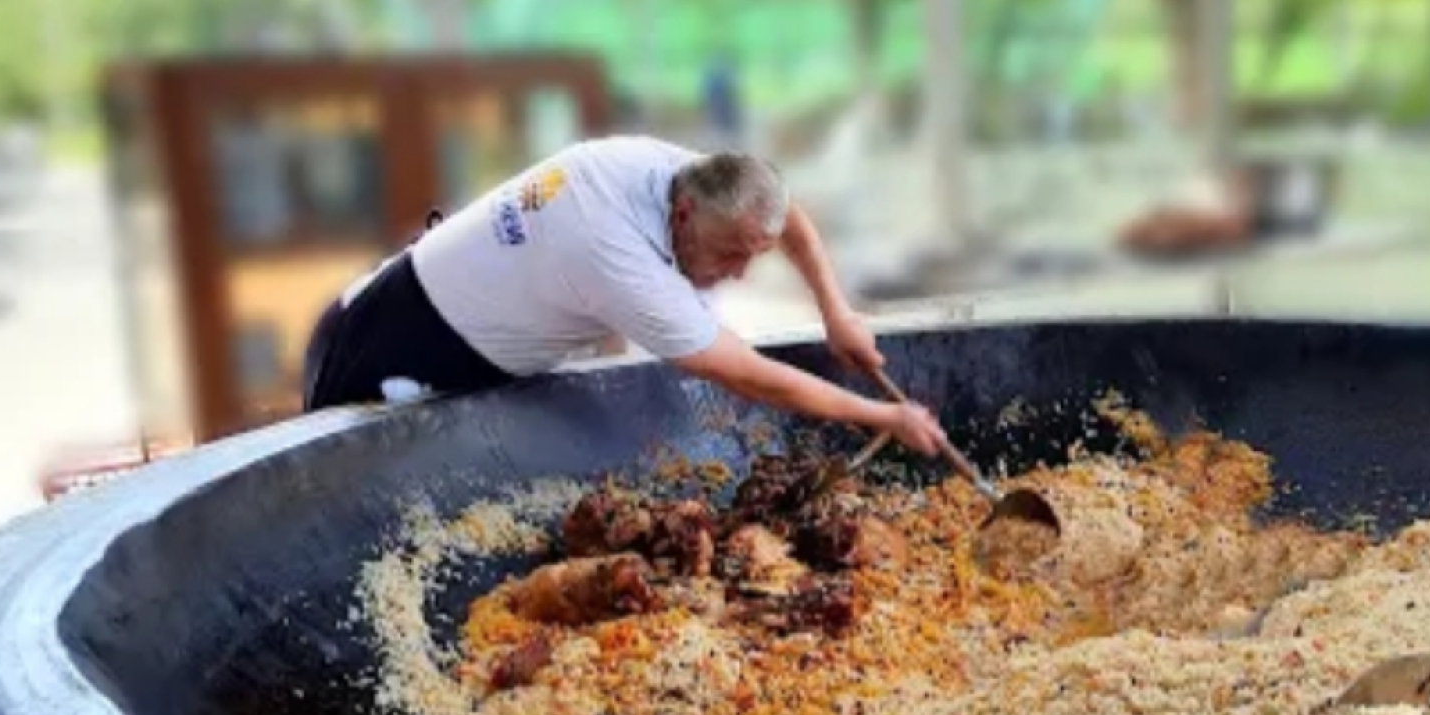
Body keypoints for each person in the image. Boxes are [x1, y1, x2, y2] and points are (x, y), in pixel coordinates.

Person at [301, 136, 947, 457]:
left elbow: (788, 217)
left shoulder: (673, 171)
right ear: (687, 213)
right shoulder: (616, 255)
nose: (740, 275)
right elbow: (751, 377)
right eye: (729, 255)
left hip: (429, 304)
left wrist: (835, 312)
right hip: (383, 353)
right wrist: (886, 418)